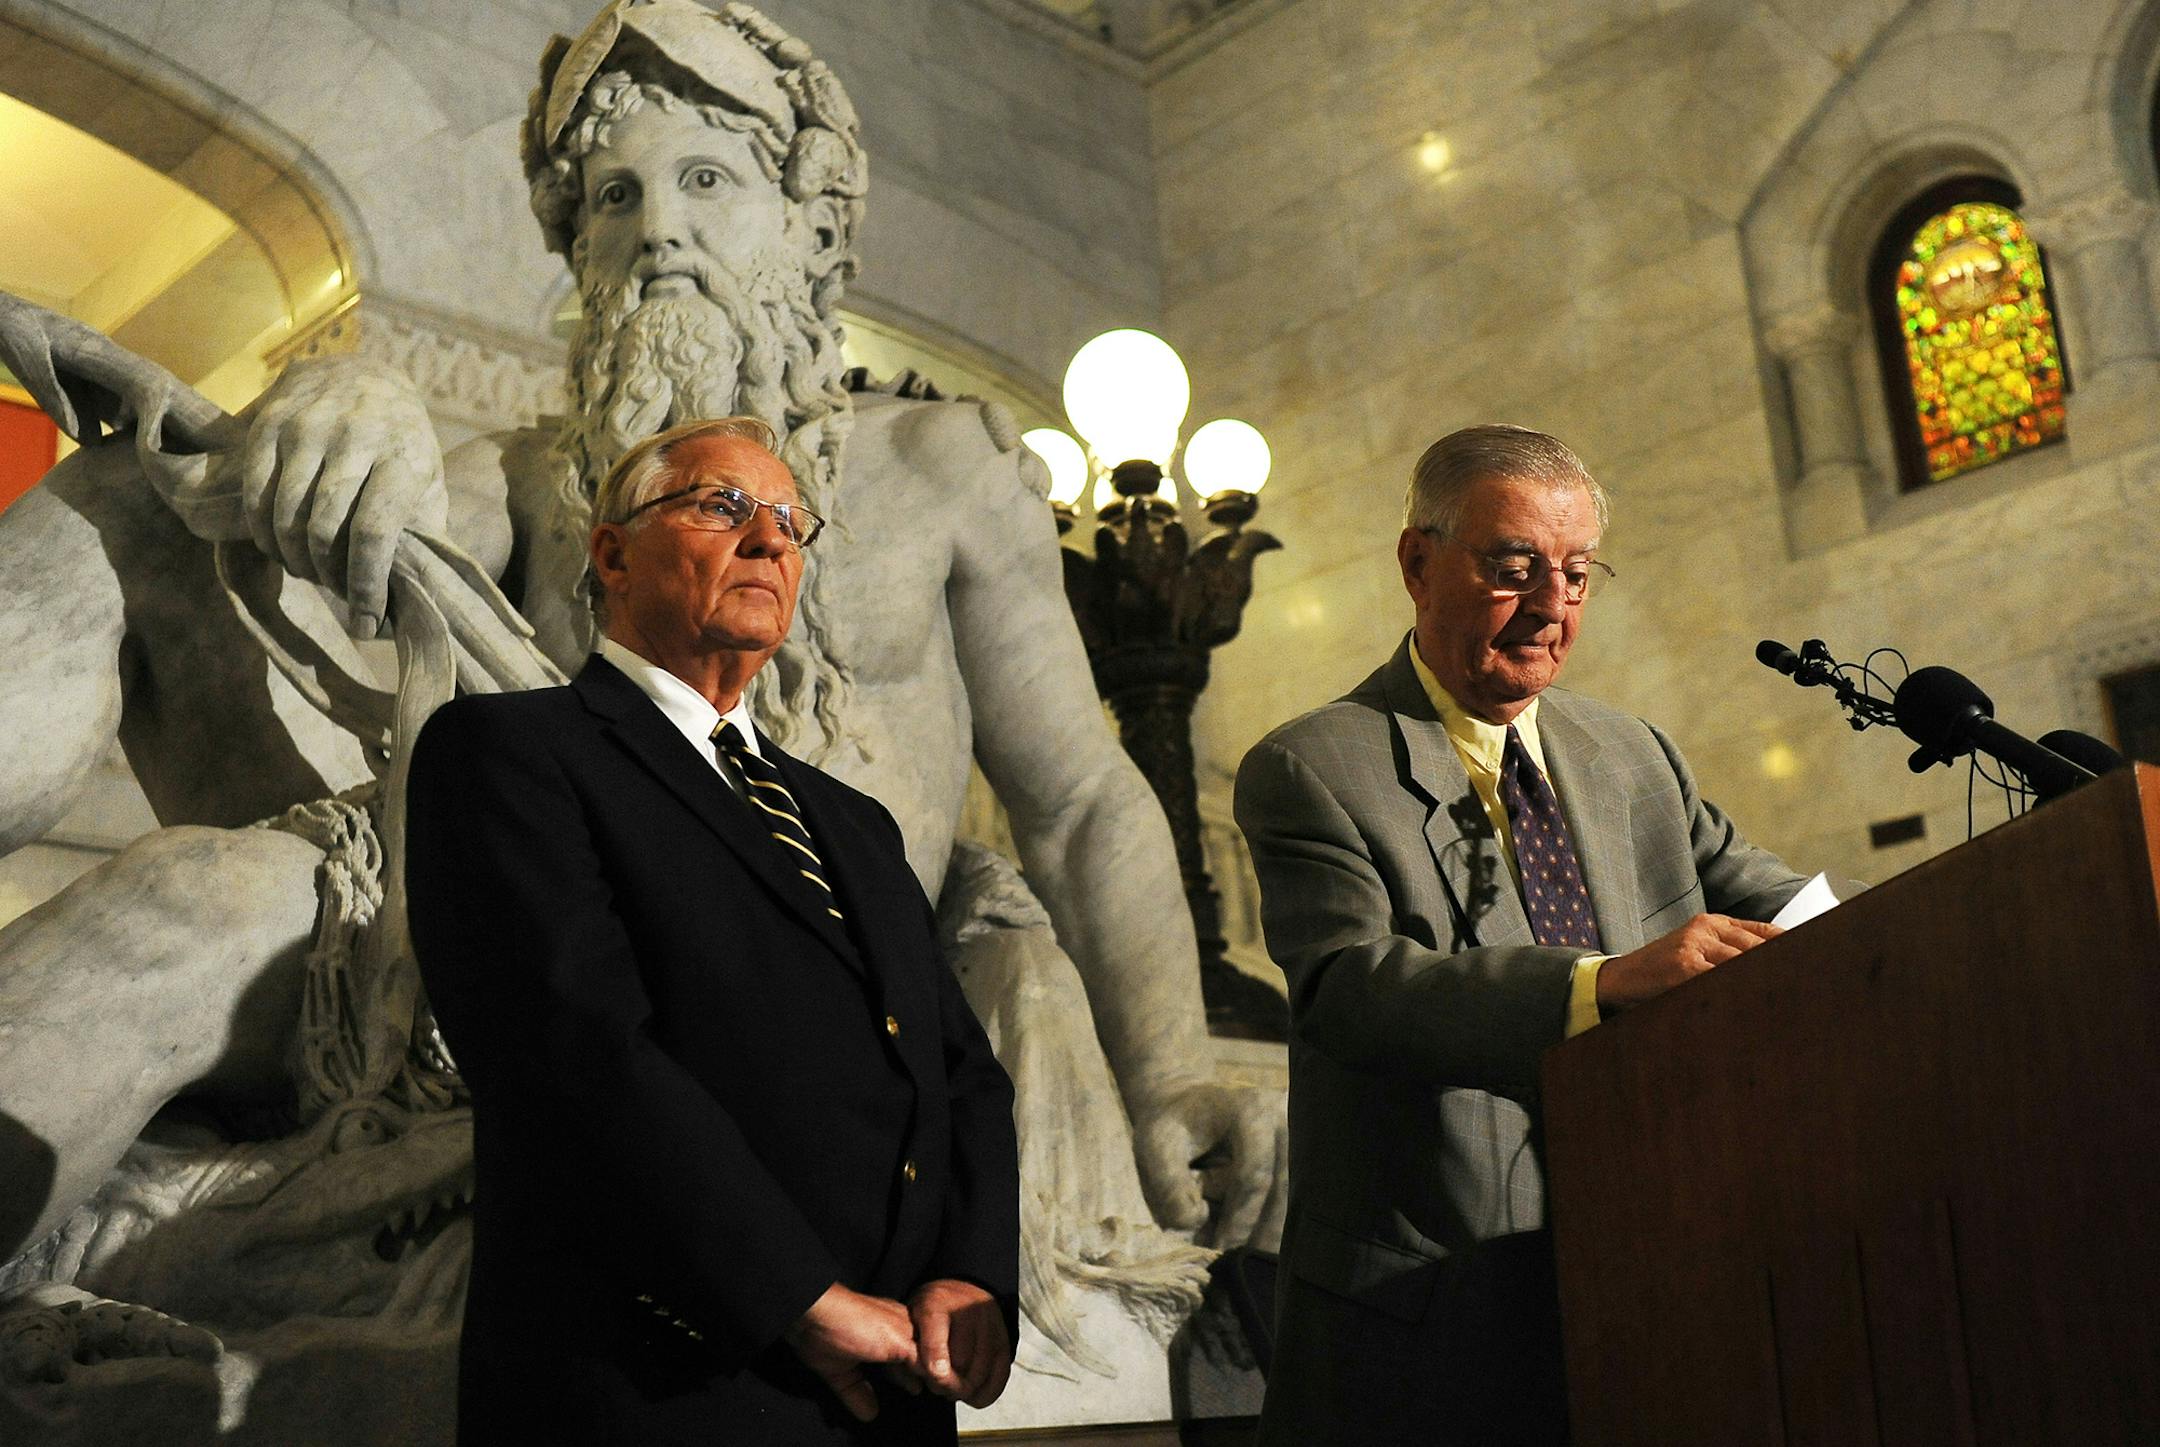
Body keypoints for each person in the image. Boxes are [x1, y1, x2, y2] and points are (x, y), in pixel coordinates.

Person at [0, 0, 1281, 1304]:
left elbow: (1075, 802)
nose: (655, 225)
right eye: (613, 195)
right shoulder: (531, 479)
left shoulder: (936, 470)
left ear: (812, 226)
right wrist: (345, 398)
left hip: (781, 979)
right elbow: (360, 543)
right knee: (131, 554)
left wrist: (1173, 1064)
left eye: (706, 178)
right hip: (504, 941)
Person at [403, 414, 1018, 1444]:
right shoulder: (510, 753)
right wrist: (799, 1298)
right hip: (661, 1385)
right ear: (611, 553)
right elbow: (577, 1058)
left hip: (898, 1391)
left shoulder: (854, 822)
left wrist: (972, 1270)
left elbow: (960, 1070)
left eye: (787, 520)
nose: (771, 540)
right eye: (723, 506)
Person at [1234, 423, 1808, 1446]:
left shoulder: (1632, 755)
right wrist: (1602, 985)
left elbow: (1775, 901)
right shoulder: (1313, 766)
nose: (1552, 607)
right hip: (1431, 1321)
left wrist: (1933, 926)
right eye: (1514, 569)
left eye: (1579, 575)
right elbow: (1355, 989)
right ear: (1418, 562)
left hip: (1655, 1283)